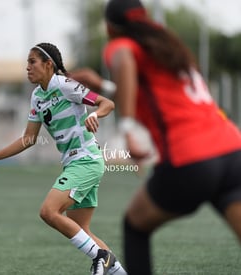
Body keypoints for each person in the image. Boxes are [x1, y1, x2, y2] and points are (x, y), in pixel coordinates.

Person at [69, 0, 241, 274]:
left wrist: (127, 129)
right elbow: (151, 96)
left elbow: (123, 56)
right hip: (233, 152)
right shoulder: (169, 51)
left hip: (191, 158)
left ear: (111, 27)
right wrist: (101, 86)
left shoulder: (123, 44)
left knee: (135, 225)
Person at [0, 42, 127, 275]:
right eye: (27, 63)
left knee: (48, 211)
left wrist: (95, 114)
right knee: (82, 230)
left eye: (32, 62)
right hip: (74, 164)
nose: (27, 67)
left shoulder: (65, 85)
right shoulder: (37, 96)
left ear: (48, 65)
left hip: (86, 160)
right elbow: (28, 139)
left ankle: (101, 256)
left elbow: (108, 103)